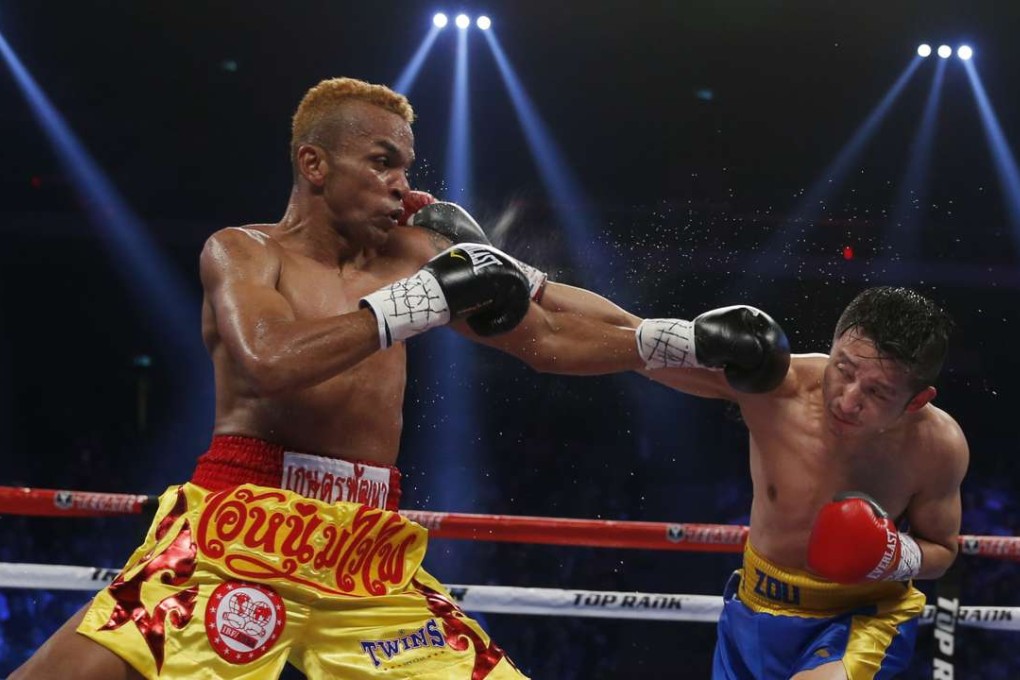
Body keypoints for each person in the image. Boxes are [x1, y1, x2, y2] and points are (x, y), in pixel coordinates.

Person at [11, 77, 790, 680]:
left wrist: (677, 337)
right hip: (238, 529)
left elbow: (547, 327)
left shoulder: (414, 254)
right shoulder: (245, 251)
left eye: (406, 166)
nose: (402, 183)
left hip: (367, 550)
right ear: (315, 164)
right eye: (381, 162)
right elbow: (269, 360)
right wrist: (416, 300)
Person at [633, 287, 968, 679]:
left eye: (878, 391)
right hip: (753, 607)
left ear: (916, 400)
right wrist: (542, 295)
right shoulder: (779, 386)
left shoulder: (938, 446)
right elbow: (632, 346)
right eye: (843, 369)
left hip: (858, 620)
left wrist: (892, 554)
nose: (848, 400)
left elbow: (943, 550)